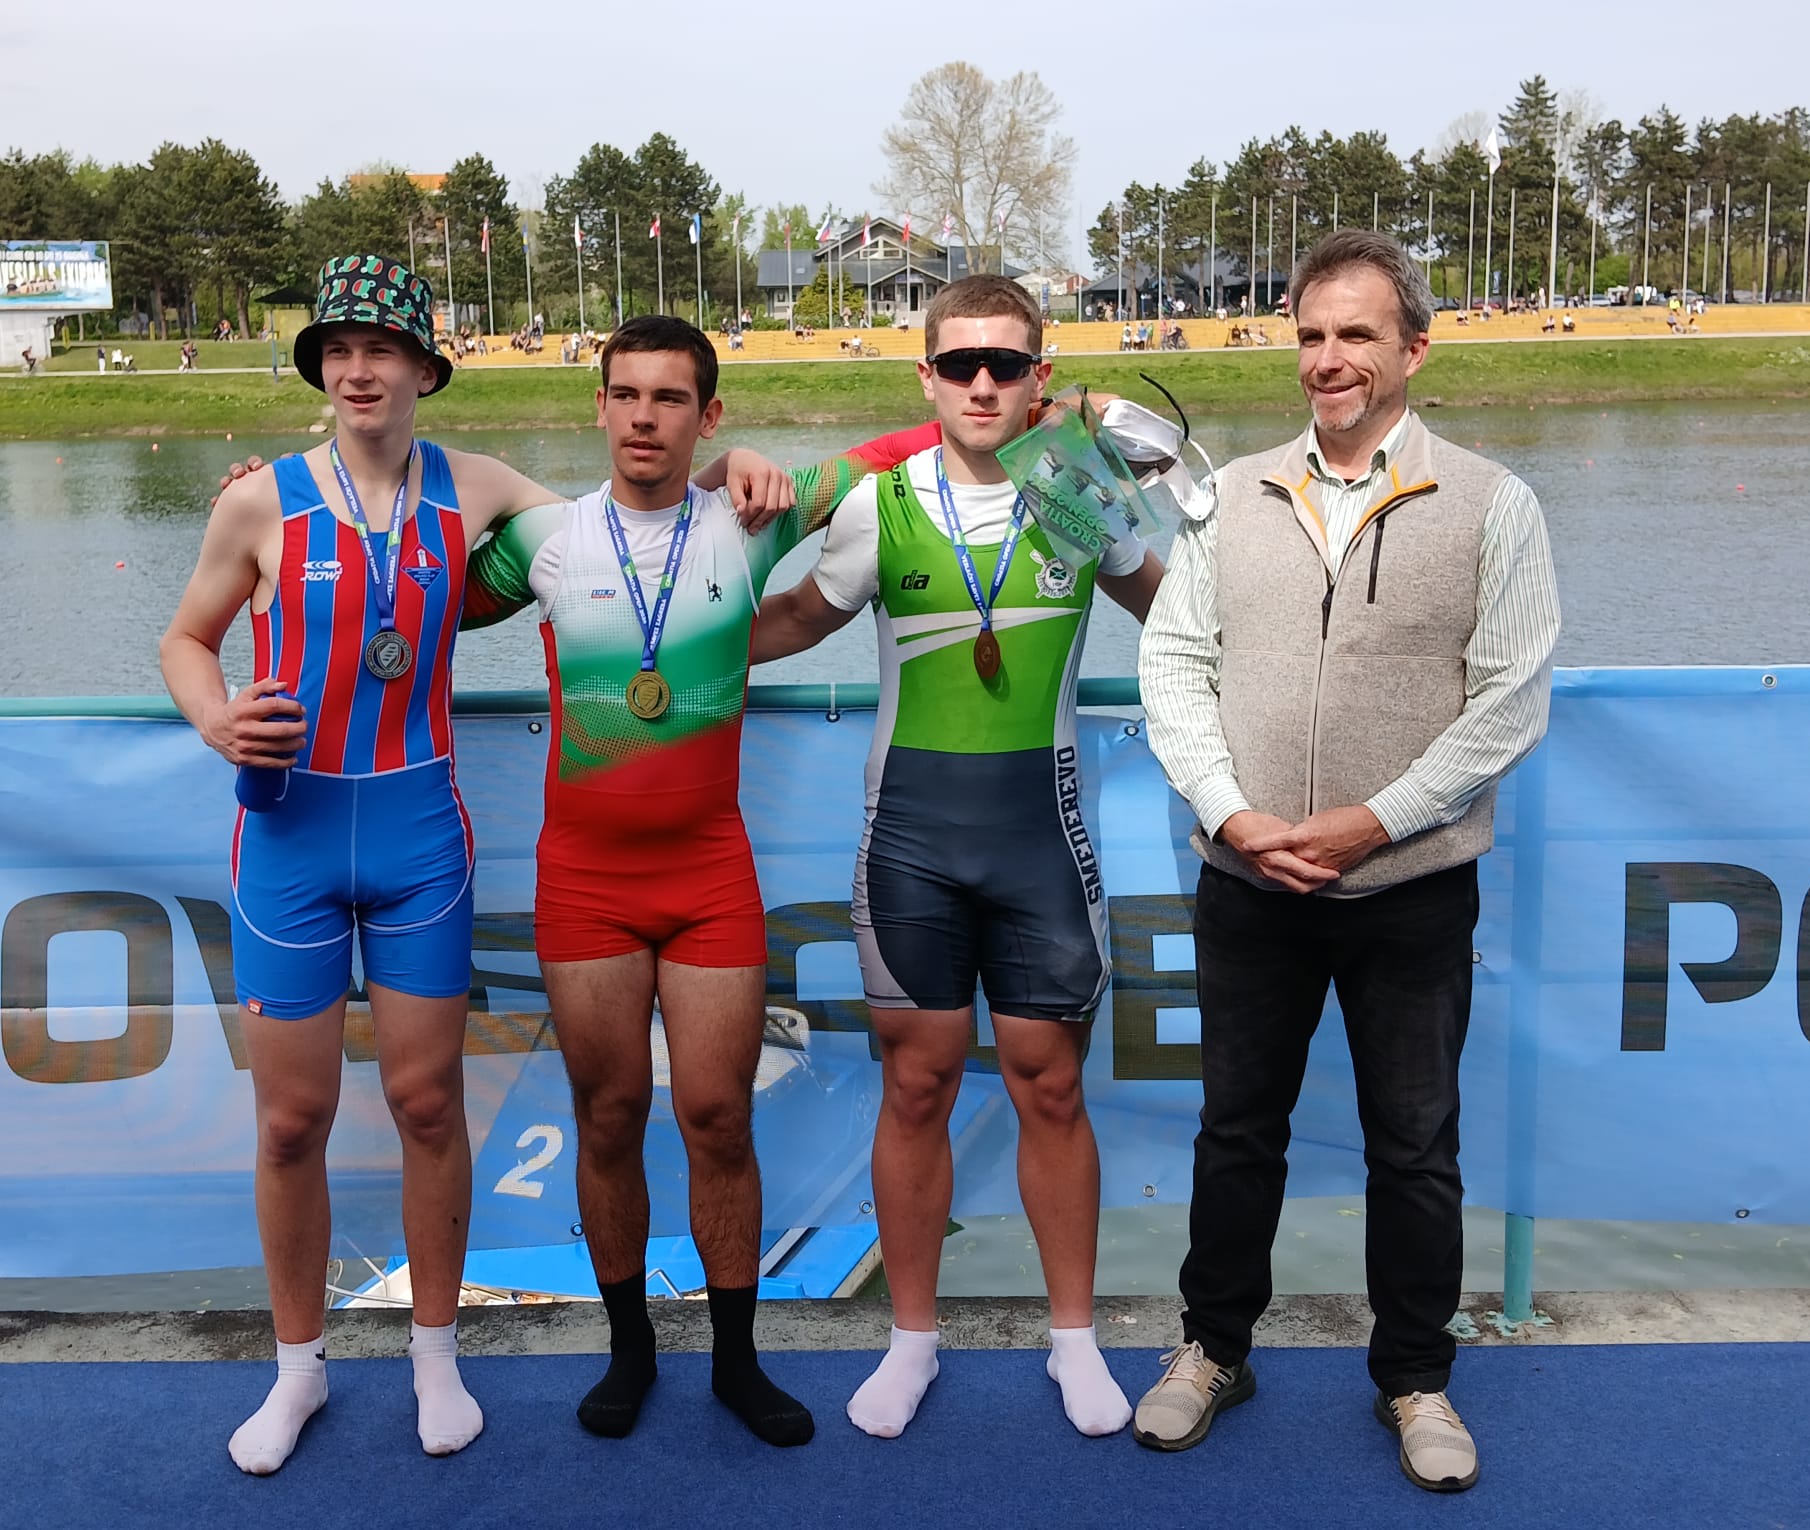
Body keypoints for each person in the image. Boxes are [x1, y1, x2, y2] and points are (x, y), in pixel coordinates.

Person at [161, 259, 787, 1478]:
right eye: (339, 349)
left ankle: (435, 1359)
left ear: (424, 371)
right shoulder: (261, 501)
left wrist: (731, 469)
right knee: (288, 1121)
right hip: (287, 835)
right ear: (319, 368)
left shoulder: (487, 490)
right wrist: (215, 716)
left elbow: (630, 520)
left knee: (428, 1106)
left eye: (383, 350)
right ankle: (296, 1372)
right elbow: (187, 638)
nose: (359, 370)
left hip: (418, 840)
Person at [458, 316, 932, 1449]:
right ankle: (630, 1350)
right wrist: (270, 511)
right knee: (609, 1115)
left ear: (707, 415)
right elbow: (414, 587)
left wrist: (1045, 422)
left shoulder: (750, 523)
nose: (643, 418)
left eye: (670, 399)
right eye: (624, 395)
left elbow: (887, 454)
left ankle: (735, 1361)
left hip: (709, 875)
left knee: (719, 1116)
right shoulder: (548, 539)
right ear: (599, 406)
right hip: (584, 881)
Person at [1134, 230, 1559, 1492]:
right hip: (1249, 881)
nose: (1328, 358)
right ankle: (1215, 1350)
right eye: (1311, 334)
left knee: (1415, 1145)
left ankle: (1415, 1377)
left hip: (1410, 891)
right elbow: (1175, 664)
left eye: (1357, 334)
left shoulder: (1493, 503)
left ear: (1414, 348)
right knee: (1235, 1133)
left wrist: (1373, 821)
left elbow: (1509, 702)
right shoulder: (1231, 497)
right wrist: (1232, 815)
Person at [746, 275, 1169, 1442]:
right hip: (911, 846)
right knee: (917, 1086)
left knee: (1051, 1087)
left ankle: (1073, 1341)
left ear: (1041, 378)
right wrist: (667, 652)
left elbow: (1181, 614)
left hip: (1042, 841)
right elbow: (797, 620)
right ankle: (911, 1341)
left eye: (1006, 365)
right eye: (960, 365)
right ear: (925, 377)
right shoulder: (877, 504)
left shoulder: (1074, 494)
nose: (983, 385)